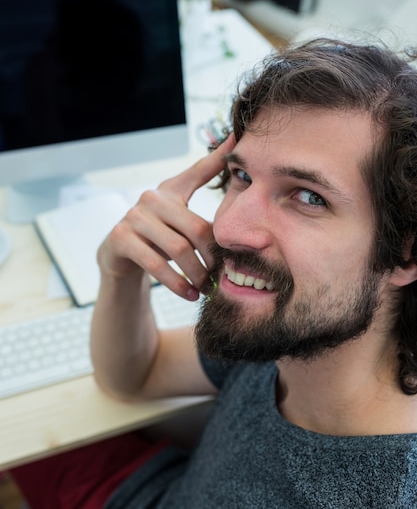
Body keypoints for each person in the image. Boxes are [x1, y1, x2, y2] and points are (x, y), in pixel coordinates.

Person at [11, 37, 417, 508]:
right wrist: (120, 274)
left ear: (405, 256)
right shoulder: (288, 333)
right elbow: (137, 375)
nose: (226, 228)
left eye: (308, 197)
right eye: (242, 177)